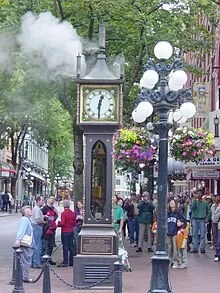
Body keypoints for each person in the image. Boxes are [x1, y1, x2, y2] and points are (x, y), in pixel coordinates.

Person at [14, 205, 34, 283]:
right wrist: (18, 240)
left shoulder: (27, 219)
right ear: (25, 213)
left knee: (25, 260)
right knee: (26, 260)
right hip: (26, 243)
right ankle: (25, 277)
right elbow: (21, 230)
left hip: (26, 243)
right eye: (28, 210)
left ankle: (23, 276)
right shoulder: (25, 220)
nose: (30, 211)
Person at [57, 200, 76, 267]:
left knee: (65, 247)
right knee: (71, 247)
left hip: (65, 231)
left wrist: (58, 224)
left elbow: (62, 223)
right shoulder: (72, 213)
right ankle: (72, 261)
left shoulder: (63, 213)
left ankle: (65, 262)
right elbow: (74, 223)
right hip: (71, 231)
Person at [41, 196, 58, 265]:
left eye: (54, 199)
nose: (52, 200)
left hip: (52, 229)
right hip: (46, 229)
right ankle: (43, 259)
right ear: (48, 200)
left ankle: (49, 258)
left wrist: (56, 214)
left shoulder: (54, 209)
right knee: (45, 245)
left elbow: (55, 218)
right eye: (51, 198)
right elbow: (41, 217)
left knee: (51, 245)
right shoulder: (44, 209)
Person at [31, 196, 45, 268]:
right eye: (42, 200)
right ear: (38, 201)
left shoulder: (37, 209)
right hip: (37, 227)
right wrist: (44, 222)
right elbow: (37, 220)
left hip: (36, 227)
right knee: (37, 245)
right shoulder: (37, 209)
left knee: (35, 244)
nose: (43, 202)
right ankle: (36, 262)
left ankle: (33, 262)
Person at [167, 199, 181, 268]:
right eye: (170, 203)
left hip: (175, 232)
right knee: (169, 247)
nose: (172, 204)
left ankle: (175, 261)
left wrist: (180, 224)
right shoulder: (168, 213)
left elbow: (184, 221)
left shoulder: (178, 213)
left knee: (175, 247)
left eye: (173, 202)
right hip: (168, 232)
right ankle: (169, 261)